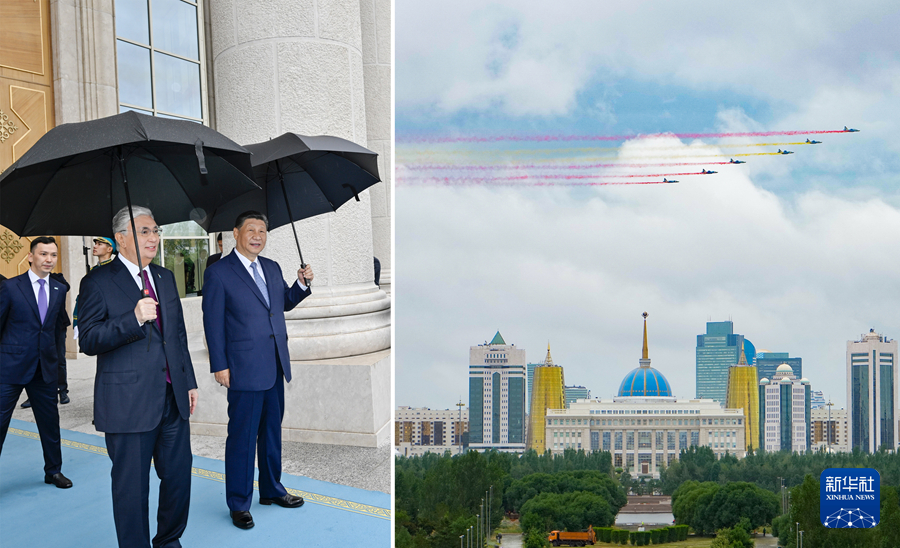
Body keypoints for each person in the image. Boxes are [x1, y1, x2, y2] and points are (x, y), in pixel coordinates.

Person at [78, 206, 198, 548]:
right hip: (127, 405)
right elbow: (88, 339)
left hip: (172, 399)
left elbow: (176, 335)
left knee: (178, 479)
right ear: (121, 238)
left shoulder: (164, 277)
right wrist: (132, 319)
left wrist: (187, 380)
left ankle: (168, 541)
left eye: (156, 231)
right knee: (131, 490)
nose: (154, 238)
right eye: (144, 231)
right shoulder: (97, 282)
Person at [202, 210, 313, 530]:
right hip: (242, 368)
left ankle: (271, 490)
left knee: (271, 433)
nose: (257, 236)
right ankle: (239, 502)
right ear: (236, 233)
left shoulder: (272, 267)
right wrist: (219, 365)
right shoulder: (220, 273)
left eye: (262, 231)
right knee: (242, 437)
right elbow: (212, 323)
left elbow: (283, 303)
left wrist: (301, 284)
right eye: (251, 230)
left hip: (275, 364)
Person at [0, 237, 72, 489]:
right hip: (10, 367)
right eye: (43, 254)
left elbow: (54, 328)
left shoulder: (59, 289)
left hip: (44, 368)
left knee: (50, 423)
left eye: (53, 255)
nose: (49, 260)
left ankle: (53, 471)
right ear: (31, 256)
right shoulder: (10, 287)